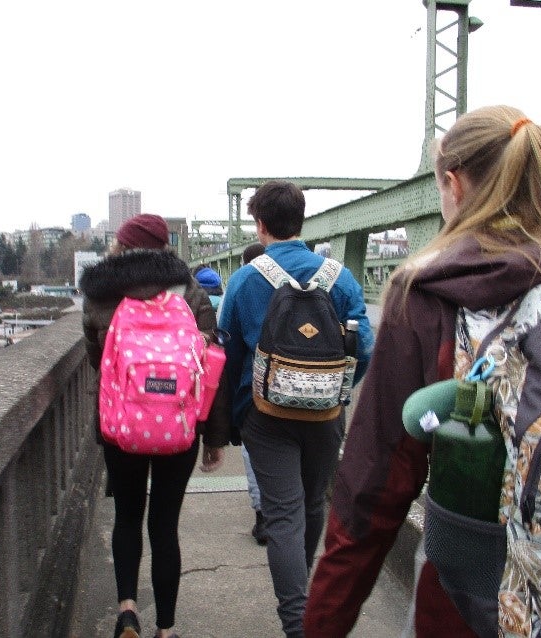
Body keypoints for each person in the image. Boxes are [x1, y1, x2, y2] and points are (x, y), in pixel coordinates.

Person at [303, 105, 541, 637]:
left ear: (454, 185)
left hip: (467, 606)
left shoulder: (430, 294)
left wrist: (325, 622)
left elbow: (373, 487)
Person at [218, 181, 374, 638]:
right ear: (301, 220)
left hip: (266, 418)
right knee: (310, 508)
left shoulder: (247, 279)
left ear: (260, 224)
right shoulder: (338, 277)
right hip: (325, 416)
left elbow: (227, 356)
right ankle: (304, 603)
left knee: (282, 514)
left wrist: (229, 420)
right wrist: (336, 391)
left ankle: (297, 623)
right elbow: (363, 346)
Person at [80, 213, 229, 638]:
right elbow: (210, 366)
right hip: (178, 426)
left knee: (127, 517)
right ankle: (166, 629)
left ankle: (128, 610)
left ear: (120, 247)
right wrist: (214, 438)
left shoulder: (101, 292)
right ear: (166, 247)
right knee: (164, 526)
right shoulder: (189, 290)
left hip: (121, 427)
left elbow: (98, 361)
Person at [234, 242, 269, 544]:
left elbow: (228, 347)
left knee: (254, 454)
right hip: (313, 392)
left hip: (257, 392)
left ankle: (263, 517)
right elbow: (361, 346)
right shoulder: (331, 276)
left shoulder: (244, 281)